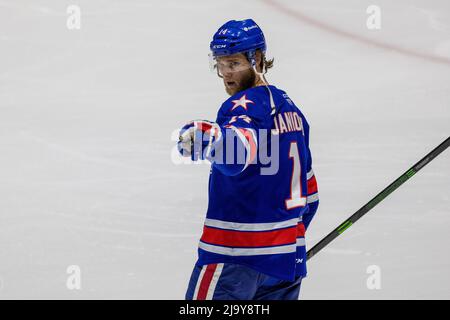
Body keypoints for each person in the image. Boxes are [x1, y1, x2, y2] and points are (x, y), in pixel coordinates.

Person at [178, 19, 319, 300]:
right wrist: (283, 241)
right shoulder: (292, 111)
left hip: (235, 258)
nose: (225, 74)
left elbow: (236, 153)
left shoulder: (245, 107)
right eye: (220, 63)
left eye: (233, 63)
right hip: (284, 263)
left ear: (256, 59)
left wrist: (206, 136)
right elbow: (310, 195)